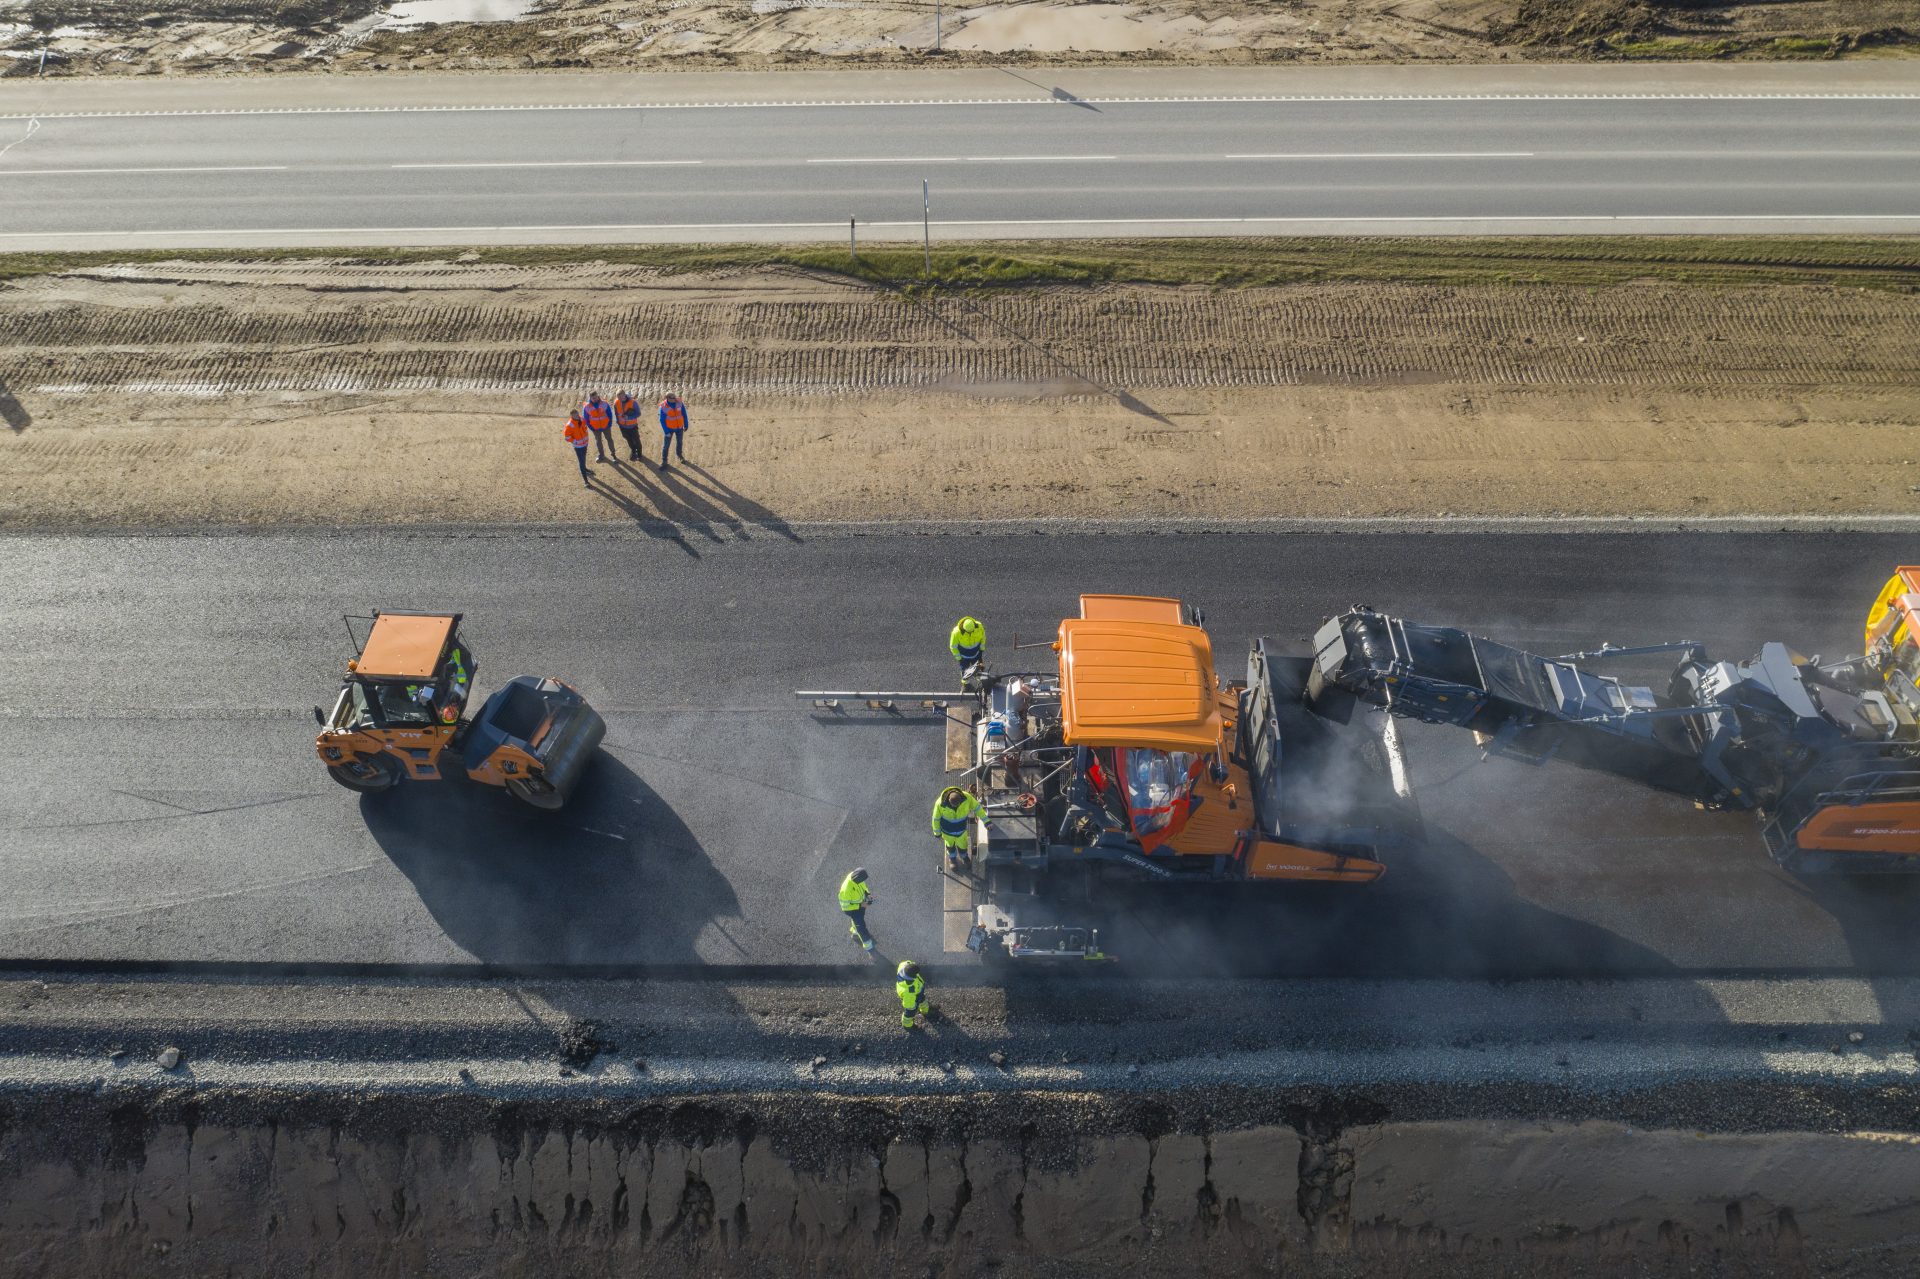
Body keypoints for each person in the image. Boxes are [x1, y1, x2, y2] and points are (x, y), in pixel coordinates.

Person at [932, 786, 987, 872]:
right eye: (954, 805)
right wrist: (937, 833)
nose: (956, 806)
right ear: (949, 800)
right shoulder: (940, 804)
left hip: (961, 832)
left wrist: (986, 821)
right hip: (947, 833)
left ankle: (964, 857)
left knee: (963, 846)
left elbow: (977, 808)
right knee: (950, 846)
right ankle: (952, 859)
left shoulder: (967, 798)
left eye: (958, 804)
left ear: (960, 799)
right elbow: (936, 819)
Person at [838, 867, 876, 957]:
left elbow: (863, 885)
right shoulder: (846, 890)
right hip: (852, 910)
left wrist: (867, 894)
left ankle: (855, 931)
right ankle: (870, 948)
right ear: (857, 879)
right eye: (862, 880)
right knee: (862, 928)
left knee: (858, 922)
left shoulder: (856, 877)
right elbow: (845, 907)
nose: (863, 881)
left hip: (860, 906)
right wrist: (860, 905)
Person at [895, 960, 931, 1030]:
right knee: (909, 1014)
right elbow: (909, 1004)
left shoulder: (905, 965)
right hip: (913, 997)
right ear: (913, 976)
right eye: (916, 974)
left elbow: (908, 962)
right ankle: (907, 1025)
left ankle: (925, 1011)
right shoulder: (909, 990)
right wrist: (913, 1008)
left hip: (918, 992)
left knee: (922, 1000)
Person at [658, 393, 690, 470]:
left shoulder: (679, 403)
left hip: (679, 428)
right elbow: (662, 420)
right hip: (669, 429)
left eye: (674, 397)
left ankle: (679, 455)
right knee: (666, 446)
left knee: (679, 442)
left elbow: (684, 414)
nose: (674, 399)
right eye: (672, 398)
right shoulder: (663, 407)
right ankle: (664, 461)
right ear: (667, 398)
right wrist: (666, 432)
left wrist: (686, 424)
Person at [582, 392, 615, 463]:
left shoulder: (604, 404)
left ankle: (613, 454)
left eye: (596, 397)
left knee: (609, 439)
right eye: (593, 398)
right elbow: (586, 419)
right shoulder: (587, 407)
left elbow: (610, 414)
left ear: (598, 396)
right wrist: (591, 428)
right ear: (590, 398)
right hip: (595, 428)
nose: (595, 399)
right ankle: (601, 455)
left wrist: (609, 424)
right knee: (598, 441)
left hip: (606, 426)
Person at [613, 390, 644, 460]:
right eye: (618, 398)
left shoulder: (633, 402)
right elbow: (616, 413)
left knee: (637, 441)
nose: (620, 399)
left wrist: (629, 417)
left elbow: (638, 413)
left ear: (625, 395)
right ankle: (633, 451)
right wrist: (618, 422)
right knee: (629, 440)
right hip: (623, 427)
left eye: (621, 397)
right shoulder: (616, 402)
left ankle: (639, 454)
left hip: (632, 426)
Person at [563, 409, 592, 485]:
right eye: (574, 415)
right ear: (571, 416)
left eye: (577, 414)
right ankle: (586, 481)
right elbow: (567, 437)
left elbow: (585, 428)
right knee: (581, 461)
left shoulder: (582, 419)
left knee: (584, 458)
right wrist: (575, 441)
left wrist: (586, 439)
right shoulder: (569, 425)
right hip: (578, 447)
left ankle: (585, 469)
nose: (576, 416)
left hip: (585, 444)